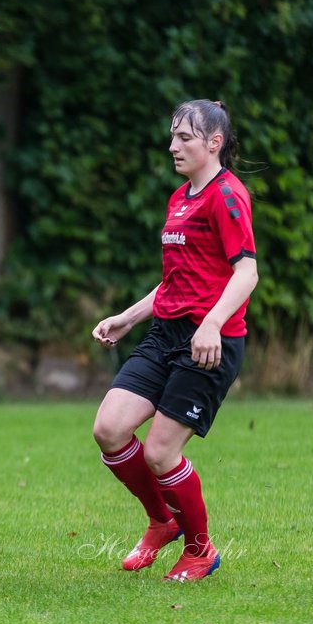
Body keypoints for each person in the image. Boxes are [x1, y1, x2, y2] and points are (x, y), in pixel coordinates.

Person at [90, 99, 258, 582]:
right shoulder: (181, 196)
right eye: (173, 136)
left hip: (211, 342)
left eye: (184, 137)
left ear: (214, 143)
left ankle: (201, 550)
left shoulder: (227, 196)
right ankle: (163, 521)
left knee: (161, 452)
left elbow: (246, 272)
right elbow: (176, 282)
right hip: (165, 334)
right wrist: (126, 317)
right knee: (110, 429)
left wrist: (211, 323)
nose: (173, 146)